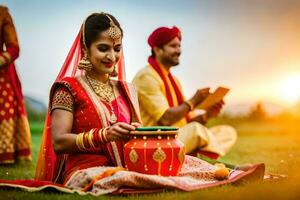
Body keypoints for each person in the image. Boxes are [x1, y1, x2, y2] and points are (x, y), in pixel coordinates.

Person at [0, 13, 264, 196]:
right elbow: (59, 142)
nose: (112, 56)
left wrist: (142, 134)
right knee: (124, 178)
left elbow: (139, 130)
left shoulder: (126, 89)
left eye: (117, 49)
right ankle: (217, 177)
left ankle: (229, 173)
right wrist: (104, 134)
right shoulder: (68, 88)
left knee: (185, 163)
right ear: (86, 49)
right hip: (86, 170)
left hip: (131, 161)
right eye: (103, 48)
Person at [132, 26, 237, 158]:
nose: (178, 50)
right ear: (157, 50)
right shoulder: (146, 77)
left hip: (177, 137)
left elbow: (184, 122)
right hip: (156, 141)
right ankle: (208, 163)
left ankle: (194, 157)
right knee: (196, 130)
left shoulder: (174, 80)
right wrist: (193, 101)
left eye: (179, 46)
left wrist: (207, 115)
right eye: (173, 46)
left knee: (227, 132)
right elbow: (165, 119)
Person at [0, 5, 31, 164]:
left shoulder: (2, 13)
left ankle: (6, 155)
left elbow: (14, 48)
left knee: (5, 110)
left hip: (2, 74)